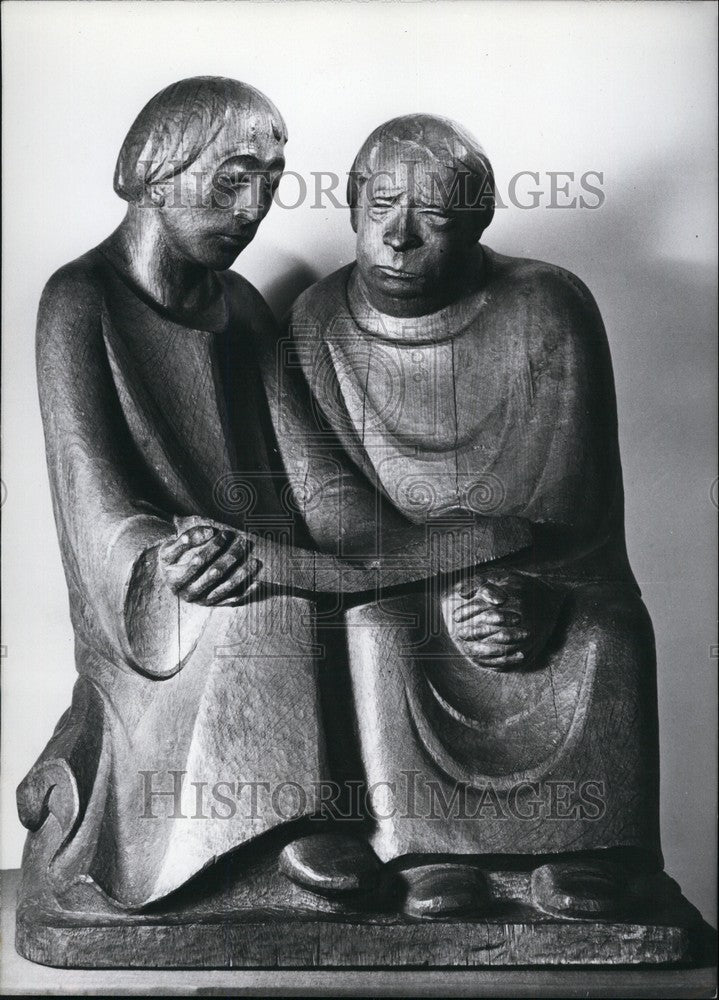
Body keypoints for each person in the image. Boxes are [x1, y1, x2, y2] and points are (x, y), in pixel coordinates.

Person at [281, 115, 662, 918]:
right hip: (404, 574)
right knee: (379, 632)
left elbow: (568, 487)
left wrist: (515, 585)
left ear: (479, 222)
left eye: (436, 217)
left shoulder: (546, 303)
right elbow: (327, 498)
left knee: (605, 637)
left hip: (546, 573)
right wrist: (441, 578)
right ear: (351, 206)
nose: (399, 236)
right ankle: (424, 852)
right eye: (380, 204)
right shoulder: (314, 321)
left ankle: (586, 852)